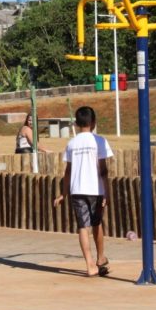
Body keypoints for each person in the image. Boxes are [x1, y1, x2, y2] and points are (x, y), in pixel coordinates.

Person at [53, 106, 113, 277]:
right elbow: (103, 170)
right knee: (97, 223)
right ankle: (100, 257)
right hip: (95, 189)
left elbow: (67, 171)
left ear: (77, 123)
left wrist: (63, 194)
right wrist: (107, 192)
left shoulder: (72, 143)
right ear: (93, 122)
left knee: (82, 226)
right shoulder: (100, 141)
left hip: (77, 189)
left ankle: (89, 264)